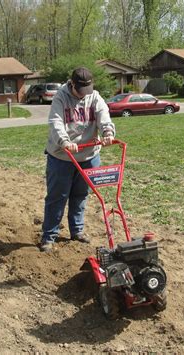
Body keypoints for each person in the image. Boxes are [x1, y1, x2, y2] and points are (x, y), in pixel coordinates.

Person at [40, 67, 115, 252]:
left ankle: (77, 230)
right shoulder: (60, 97)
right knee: (57, 197)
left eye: (86, 91)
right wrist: (64, 141)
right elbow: (56, 122)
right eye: (80, 91)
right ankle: (49, 236)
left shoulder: (94, 97)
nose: (83, 96)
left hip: (89, 155)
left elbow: (103, 115)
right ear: (71, 84)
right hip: (62, 156)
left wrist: (107, 132)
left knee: (81, 195)